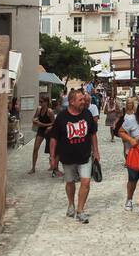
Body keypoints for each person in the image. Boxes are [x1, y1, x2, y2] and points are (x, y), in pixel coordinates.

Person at [49, 89, 100, 224]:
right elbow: (54, 138)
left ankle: (80, 210)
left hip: (85, 156)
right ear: (72, 102)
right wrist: (52, 157)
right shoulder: (61, 117)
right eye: (80, 100)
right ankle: (71, 204)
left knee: (86, 182)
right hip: (67, 157)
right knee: (70, 182)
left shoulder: (87, 114)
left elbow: (93, 133)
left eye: (84, 99)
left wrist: (96, 151)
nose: (84, 102)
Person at [30, 93, 56, 175]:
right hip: (41, 130)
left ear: (46, 102)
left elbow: (54, 123)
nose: (40, 103)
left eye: (41, 102)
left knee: (50, 150)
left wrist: (44, 125)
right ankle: (33, 167)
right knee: (35, 148)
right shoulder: (39, 109)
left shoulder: (50, 111)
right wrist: (35, 121)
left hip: (49, 130)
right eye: (39, 101)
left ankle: (53, 166)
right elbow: (34, 118)